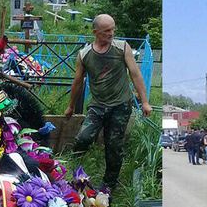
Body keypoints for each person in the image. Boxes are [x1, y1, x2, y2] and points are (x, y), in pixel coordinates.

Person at [65, 14, 153, 191]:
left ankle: (109, 184)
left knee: (114, 146)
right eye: (107, 31)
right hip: (98, 105)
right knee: (84, 137)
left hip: (121, 105)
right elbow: (77, 82)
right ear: (95, 32)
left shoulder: (122, 48)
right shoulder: (85, 55)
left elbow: (135, 74)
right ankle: (73, 168)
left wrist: (145, 102)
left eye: (113, 29)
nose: (111, 33)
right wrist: (70, 106)